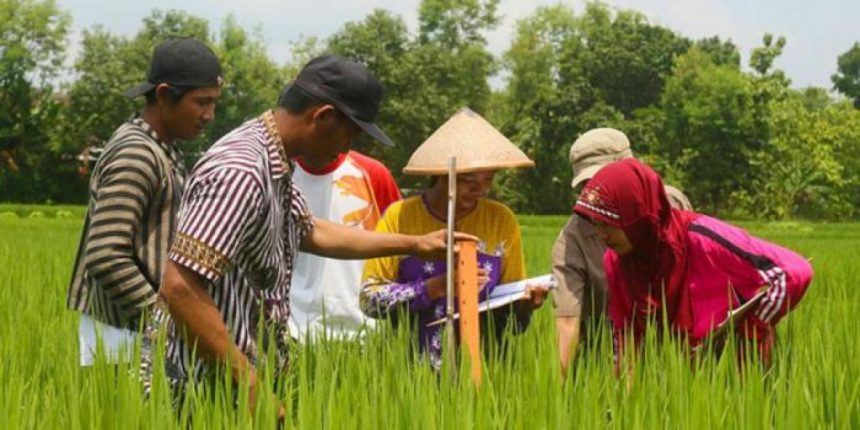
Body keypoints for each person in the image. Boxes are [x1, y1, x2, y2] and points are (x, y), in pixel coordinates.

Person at [147, 55, 469, 418]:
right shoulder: (242, 171)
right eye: (349, 134)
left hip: (239, 380)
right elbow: (179, 286)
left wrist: (415, 243)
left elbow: (310, 229)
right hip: (208, 389)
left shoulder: (276, 162)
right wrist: (251, 385)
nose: (346, 149)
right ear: (323, 117)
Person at [66, 38, 222, 366]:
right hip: (123, 339)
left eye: (213, 103)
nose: (210, 115)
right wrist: (164, 321)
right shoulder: (136, 153)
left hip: (140, 334)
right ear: (164, 95)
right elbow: (106, 255)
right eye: (202, 102)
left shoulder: (164, 148)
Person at [573, 158, 812, 371]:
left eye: (608, 224)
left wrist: (753, 325)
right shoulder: (616, 261)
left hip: (739, 370)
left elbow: (793, 272)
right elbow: (625, 336)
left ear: (634, 213)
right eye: (597, 223)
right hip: (679, 379)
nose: (601, 235)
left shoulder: (703, 237)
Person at [360, 108, 550, 370]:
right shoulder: (400, 217)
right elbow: (370, 299)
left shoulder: (501, 220)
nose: (481, 190)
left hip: (484, 367)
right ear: (441, 175)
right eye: (468, 180)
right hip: (409, 370)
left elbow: (511, 312)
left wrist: (525, 307)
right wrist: (436, 287)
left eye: (488, 179)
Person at [552, 128, 693, 377]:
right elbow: (566, 319)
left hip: (677, 353)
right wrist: (556, 389)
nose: (595, 194)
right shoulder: (573, 238)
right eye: (587, 186)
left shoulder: (671, 205)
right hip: (606, 361)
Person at [289, 149, 402, 341]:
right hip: (295, 332)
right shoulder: (280, 174)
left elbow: (401, 248)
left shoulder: (372, 173)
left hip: (368, 332)